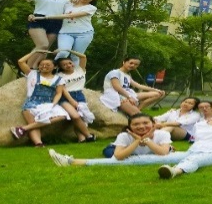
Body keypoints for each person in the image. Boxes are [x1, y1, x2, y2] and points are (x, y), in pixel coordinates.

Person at [48, 114, 176, 167]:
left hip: (141, 151)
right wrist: (137, 141)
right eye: (136, 124)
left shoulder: (162, 134)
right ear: (130, 127)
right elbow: (119, 156)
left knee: (163, 152)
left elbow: (163, 153)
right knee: (110, 154)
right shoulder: (124, 136)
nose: (141, 127)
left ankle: (72, 161)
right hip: (115, 148)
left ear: (154, 124)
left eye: (145, 123)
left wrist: (147, 140)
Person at [10, 52, 70, 147]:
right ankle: (39, 143)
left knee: (62, 115)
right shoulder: (32, 74)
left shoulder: (59, 79)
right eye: (41, 65)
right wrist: (35, 51)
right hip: (31, 103)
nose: (44, 66)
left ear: (54, 67)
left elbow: (59, 93)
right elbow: (21, 62)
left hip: (48, 103)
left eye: (47, 65)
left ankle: (23, 129)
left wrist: (53, 104)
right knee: (33, 123)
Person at [40, 0, 97, 68]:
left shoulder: (91, 8)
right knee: (63, 53)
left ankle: (76, 74)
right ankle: (52, 70)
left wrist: (47, 17)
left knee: (75, 56)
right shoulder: (68, 4)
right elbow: (54, 4)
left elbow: (70, 15)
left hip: (84, 33)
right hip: (65, 33)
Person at [21, 0, 70, 69]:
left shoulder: (65, 0)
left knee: (45, 49)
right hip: (39, 19)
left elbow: (72, 10)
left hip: (56, 22)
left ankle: (37, 69)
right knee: (42, 44)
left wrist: (76, 1)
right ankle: (27, 69)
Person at [99, 57, 166, 116]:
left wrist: (157, 90)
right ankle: (136, 112)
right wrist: (129, 97)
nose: (133, 65)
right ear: (124, 62)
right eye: (131, 63)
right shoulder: (115, 72)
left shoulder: (127, 75)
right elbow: (117, 87)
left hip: (128, 94)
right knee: (138, 115)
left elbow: (138, 86)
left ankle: (138, 109)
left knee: (158, 94)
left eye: (136, 64)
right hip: (117, 95)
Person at [54, 51, 95, 142]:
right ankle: (89, 136)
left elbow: (83, 57)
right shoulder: (59, 76)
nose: (68, 65)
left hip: (79, 95)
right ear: (60, 67)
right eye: (64, 65)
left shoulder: (80, 70)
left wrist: (68, 50)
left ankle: (81, 139)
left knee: (82, 117)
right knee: (75, 116)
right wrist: (71, 100)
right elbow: (63, 90)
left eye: (69, 63)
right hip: (66, 97)